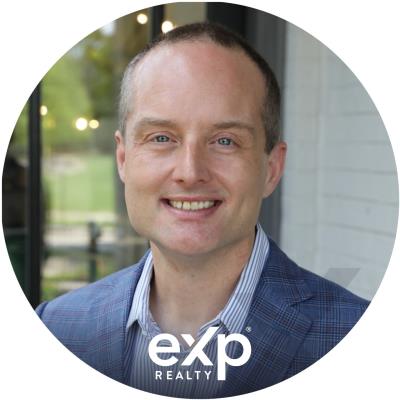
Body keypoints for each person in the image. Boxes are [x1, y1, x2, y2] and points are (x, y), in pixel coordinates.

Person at [35, 22, 369, 398]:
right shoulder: (55, 330)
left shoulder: (362, 342)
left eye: (225, 141)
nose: (190, 172)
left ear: (272, 169)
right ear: (123, 158)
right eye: (162, 137)